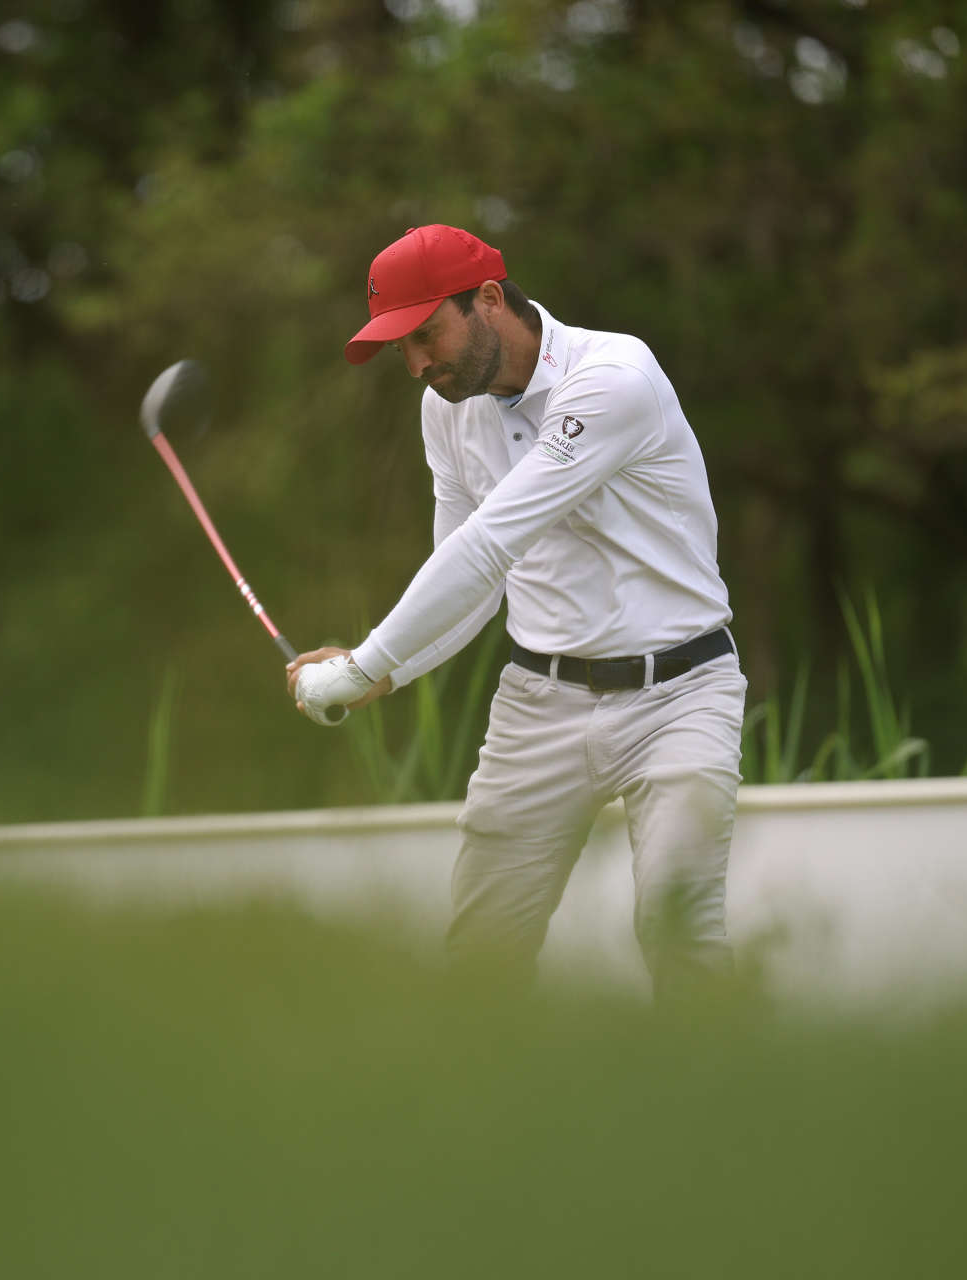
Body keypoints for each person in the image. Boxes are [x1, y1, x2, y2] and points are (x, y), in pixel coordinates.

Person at [287, 224, 746, 1001]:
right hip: (538, 704)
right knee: (482, 952)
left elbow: (489, 546)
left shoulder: (613, 378)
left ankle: (732, 1118)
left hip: (681, 692)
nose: (418, 365)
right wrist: (386, 676)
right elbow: (465, 579)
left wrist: (362, 663)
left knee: (678, 933)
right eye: (401, 348)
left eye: (426, 335)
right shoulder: (447, 407)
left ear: (490, 300)